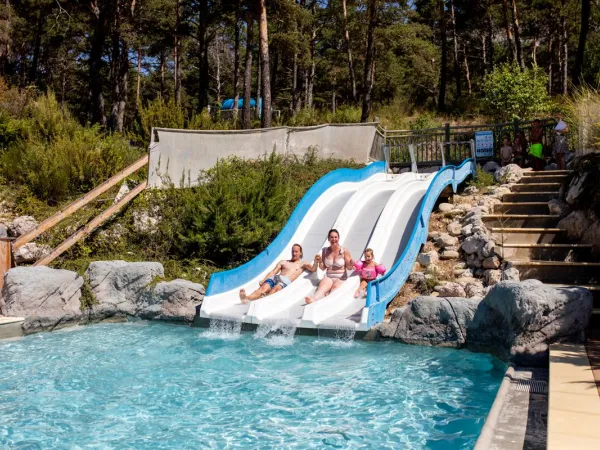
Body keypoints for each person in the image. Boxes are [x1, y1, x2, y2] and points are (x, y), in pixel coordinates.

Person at [239, 244, 318, 304]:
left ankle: (263, 301)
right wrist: (264, 280)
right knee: (263, 288)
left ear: (300, 253)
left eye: (296, 251)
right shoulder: (283, 262)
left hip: (284, 281)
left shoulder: (303, 264)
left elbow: (313, 269)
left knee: (276, 288)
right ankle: (246, 298)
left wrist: (316, 262)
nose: (294, 253)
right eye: (293, 251)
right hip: (276, 278)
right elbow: (273, 272)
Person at [304, 229, 354, 304]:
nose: (334, 239)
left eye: (335, 237)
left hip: (341, 277)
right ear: (328, 239)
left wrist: (351, 263)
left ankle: (327, 298)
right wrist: (319, 261)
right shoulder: (325, 251)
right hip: (329, 276)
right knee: (322, 288)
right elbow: (323, 267)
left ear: (338, 238)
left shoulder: (344, 251)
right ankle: (313, 299)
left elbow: (349, 268)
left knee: (335, 289)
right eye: (332, 237)